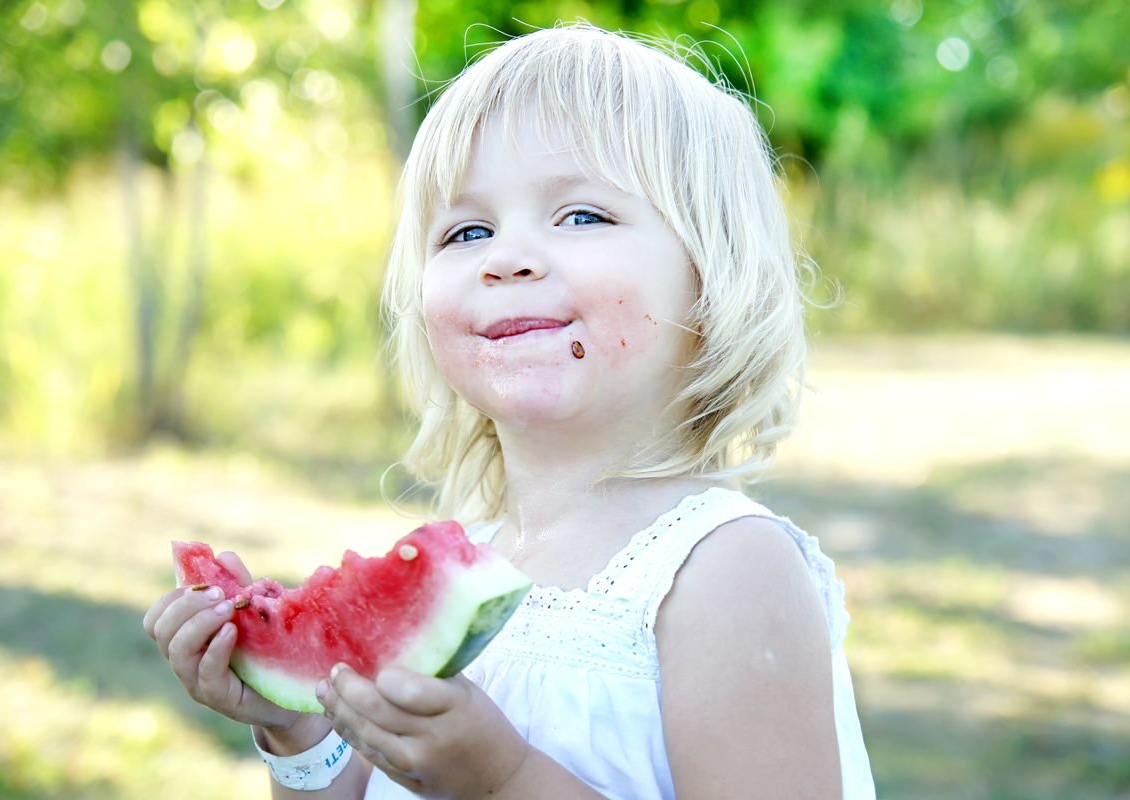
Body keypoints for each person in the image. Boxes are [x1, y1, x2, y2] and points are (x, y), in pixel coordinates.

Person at [144, 22, 876, 799]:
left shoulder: (724, 569)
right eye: (467, 230)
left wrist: (503, 780)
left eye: (582, 216)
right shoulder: (479, 559)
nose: (506, 257)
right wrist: (296, 730)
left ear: (711, 277)